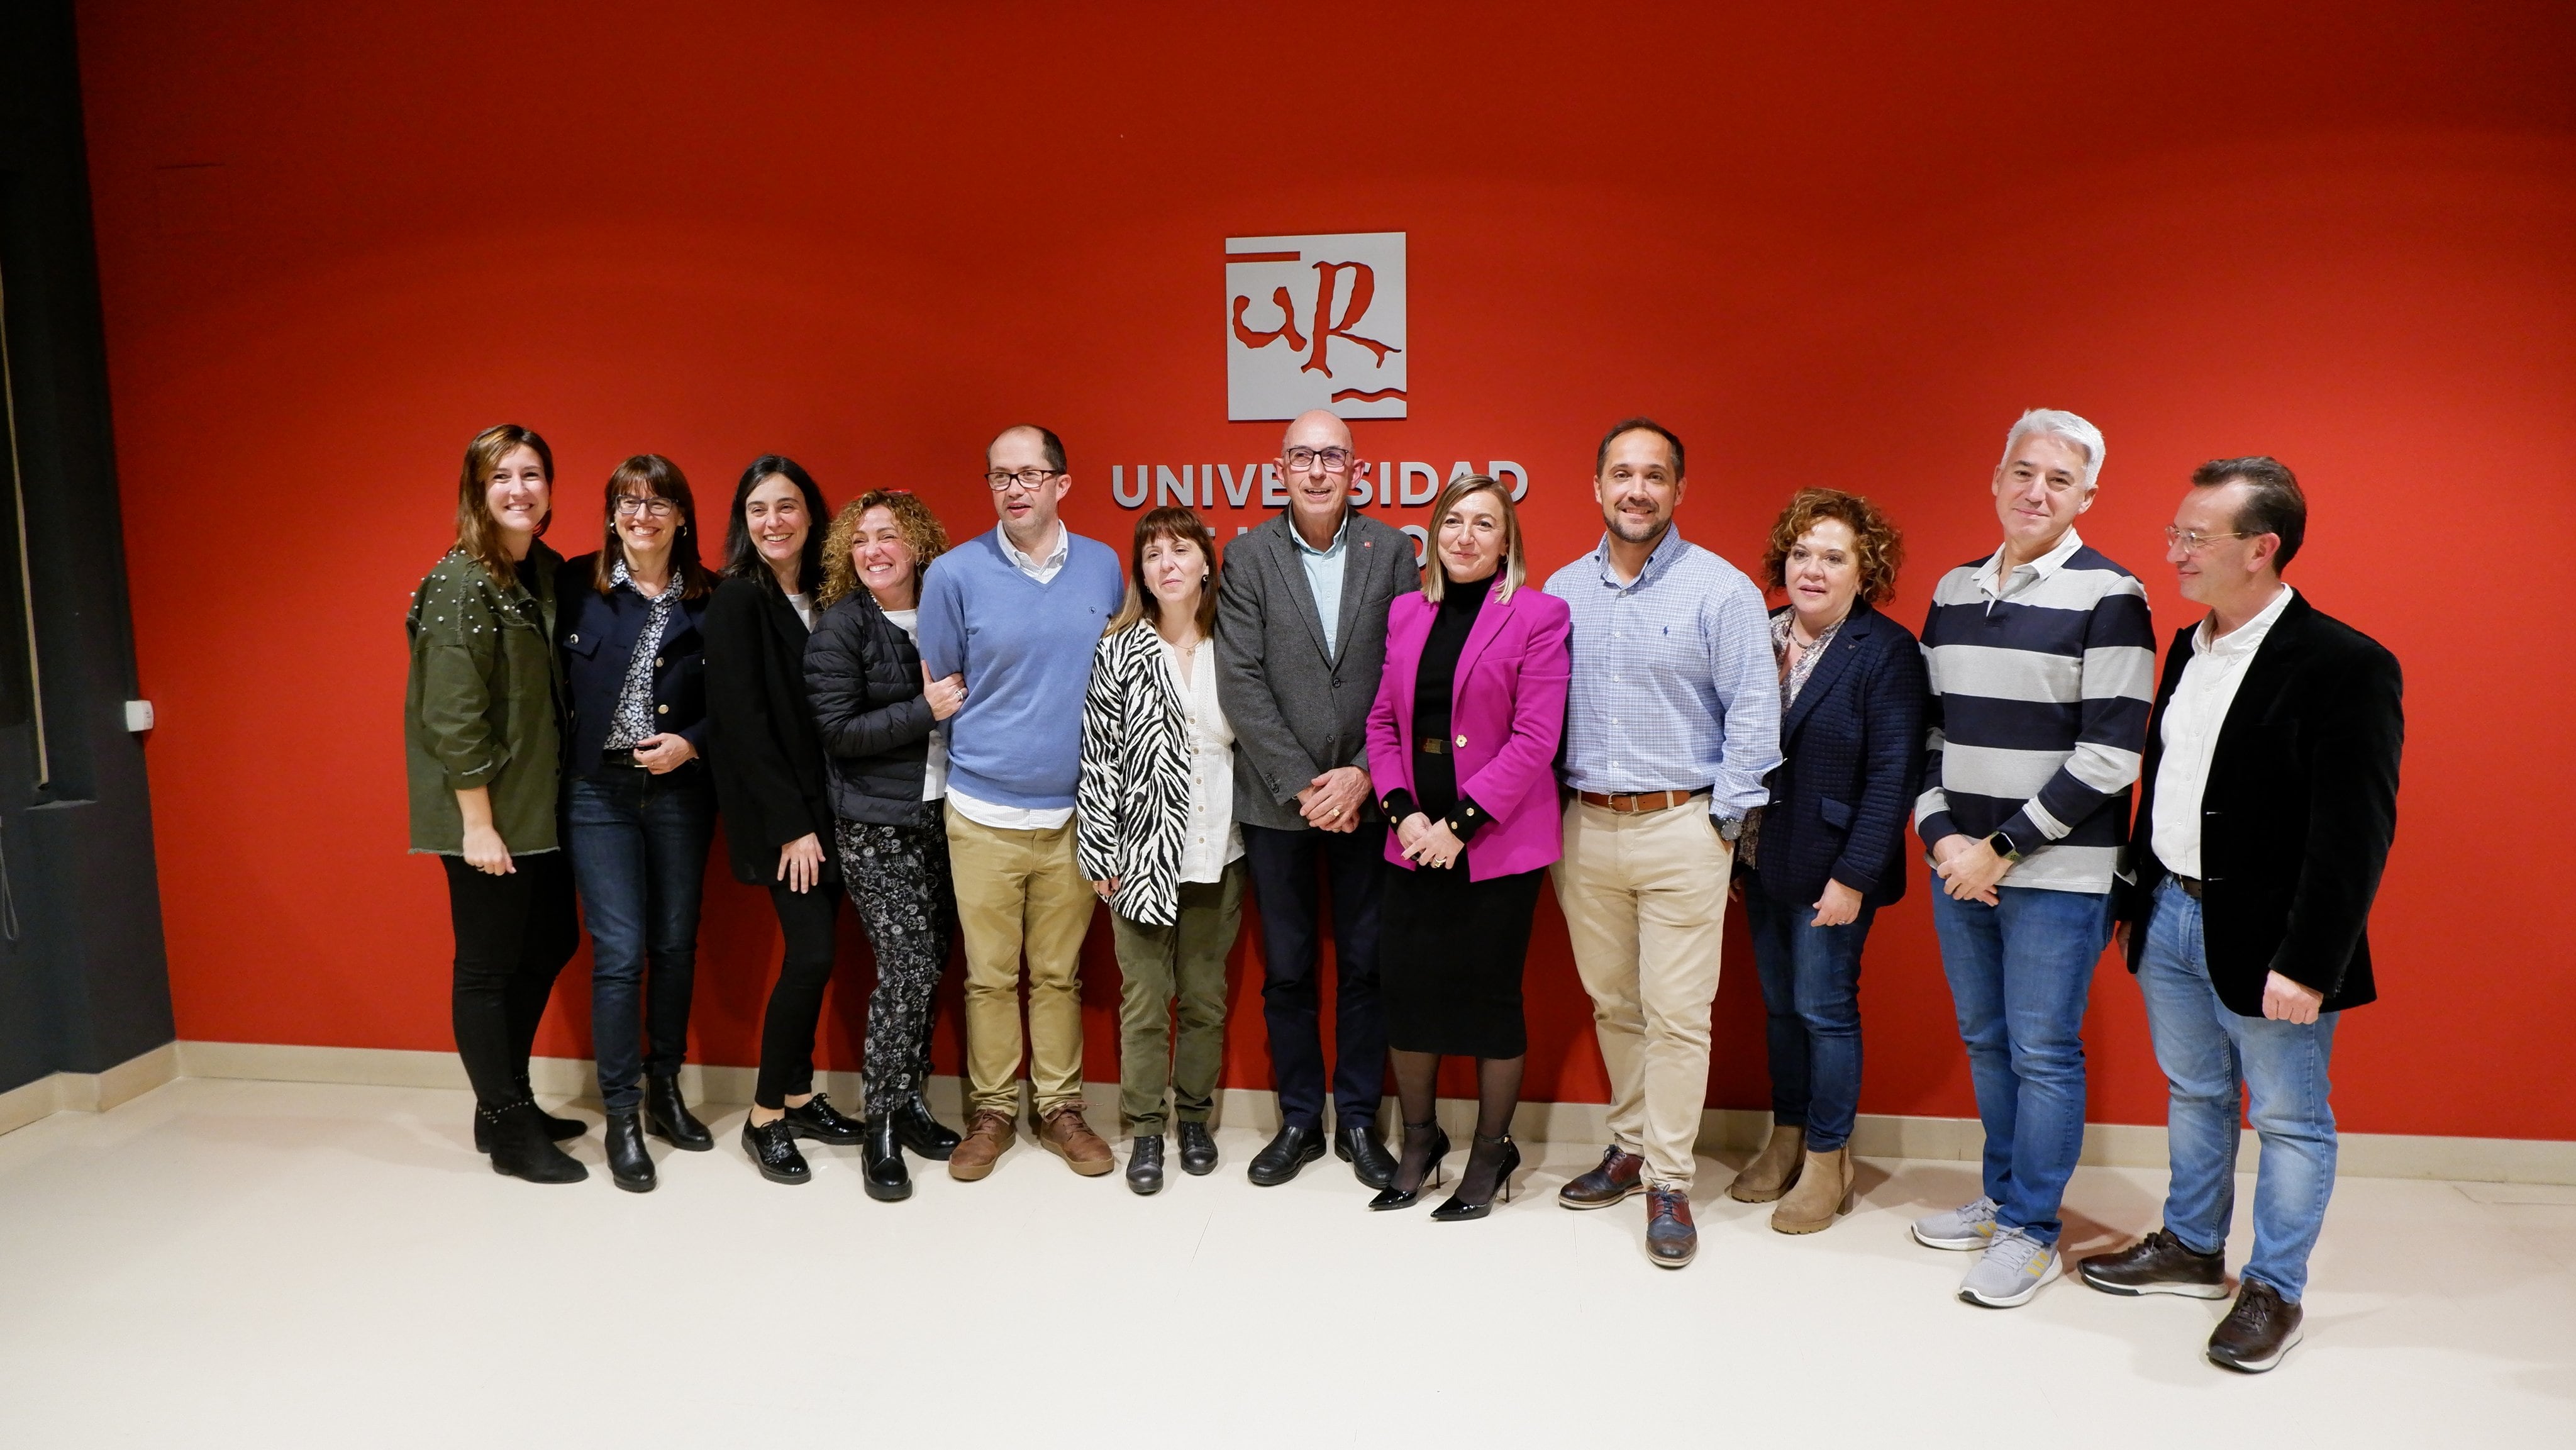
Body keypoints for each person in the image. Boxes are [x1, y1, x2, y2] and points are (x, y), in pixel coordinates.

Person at [2077, 458, 2402, 1373]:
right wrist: (2136, 896)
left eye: (2193, 537)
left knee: (2292, 1120)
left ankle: (2274, 1288)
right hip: (2172, 915)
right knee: (2195, 1094)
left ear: (2261, 549)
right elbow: (2172, 784)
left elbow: (2356, 836)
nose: (2173, 551)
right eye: (2175, 533)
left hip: (2273, 944)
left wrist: (2311, 964)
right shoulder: (2188, 646)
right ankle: (2190, 1247)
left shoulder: (2346, 665)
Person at [1911, 408, 2155, 1308]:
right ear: (1996, 478)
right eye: (2023, 472)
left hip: (2056, 873)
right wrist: (1943, 839)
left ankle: (2033, 1231)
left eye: (2059, 479)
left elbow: (2109, 755)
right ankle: (2006, 1194)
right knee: (1986, 1040)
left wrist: (2001, 850)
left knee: (2042, 1050)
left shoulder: (2111, 595)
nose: (2036, 491)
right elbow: (1930, 730)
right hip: (1961, 868)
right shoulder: (1954, 587)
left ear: (2087, 495)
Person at [1546, 418, 1780, 1269]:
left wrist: (1719, 827)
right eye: (1621, 473)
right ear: (1597, 487)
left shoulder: (1721, 591)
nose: (1636, 489)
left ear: (1678, 491)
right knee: (1614, 1002)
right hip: (1586, 827)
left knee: (1680, 1015)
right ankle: (1630, 1142)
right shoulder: (1563, 591)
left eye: (1654, 475)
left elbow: (1756, 718)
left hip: (1684, 824)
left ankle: (1669, 1181)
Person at [1213, 409, 1418, 1191]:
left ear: (1355, 468)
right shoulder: (1247, 556)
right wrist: (1305, 783)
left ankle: (1360, 1122)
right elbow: (1242, 679)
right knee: (1289, 971)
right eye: (1304, 456)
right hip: (1280, 807)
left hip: (1370, 803)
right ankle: (1300, 1119)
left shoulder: (1391, 550)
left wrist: (1364, 773)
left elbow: (1407, 672)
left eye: (1333, 455)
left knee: (1367, 968)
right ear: (1282, 468)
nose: (1319, 470)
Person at [917, 425, 1127, 1180]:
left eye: (1030, 475)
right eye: (1000, 476)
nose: (1015, 489)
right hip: (982, 813)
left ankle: (1061, 1108)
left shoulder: (1104, 567)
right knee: (987, 975)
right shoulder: (952, 574)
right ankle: (993, 1111)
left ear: (1061, 484)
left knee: (1059, 974)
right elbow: (943, 679)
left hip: (1075, 814)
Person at [1363, 476, 1570, 1220]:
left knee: (1488, 1000)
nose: (1465, 536)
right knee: (1408, 996)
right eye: (1453, 520)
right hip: (1410, 841)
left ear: (1506, 540)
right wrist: (1404, 816)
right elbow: (1382, 725)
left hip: (1496, 846)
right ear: (1433, 533)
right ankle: (1420, 1144)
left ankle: (1491, 1151)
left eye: (1485, 523)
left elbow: (1535, 739)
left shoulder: (1539, 615)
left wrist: (1458, 824)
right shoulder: (1403, 613)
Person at [1728, 489, 1925, 1232]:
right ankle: (1786, 1135)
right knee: (1780, 1010)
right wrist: (1731, 855)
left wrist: (1852, 879)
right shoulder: (1759, 632)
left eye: (1833, 557)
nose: (1811, 569)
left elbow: (1892, 776)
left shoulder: (1886, 652)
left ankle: (1827, 1156)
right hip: (1762, 858)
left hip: (1834, 873)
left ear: (1862, 570)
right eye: (1801, 552)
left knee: (1824, 1010)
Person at [405, 423, 586, 1185]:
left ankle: (503, 1101)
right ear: (477, 491)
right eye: (501, 476)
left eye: (533, 474)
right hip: (486, 812)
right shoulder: (460, 581)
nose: (520, 489)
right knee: (486, 967)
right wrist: (477, 824)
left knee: (547, 946)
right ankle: (508, 1128)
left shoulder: (539, 569)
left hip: (538, 806)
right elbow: (451, 714)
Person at [557, 454, 718, 1193]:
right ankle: (621, 1112)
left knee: (675, 944)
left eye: (658, 503)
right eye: (628, 501)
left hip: (681, 793)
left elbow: (741, 704)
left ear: (682, 515)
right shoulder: (574, 585)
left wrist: (693, 741)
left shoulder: (716, 597)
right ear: (611, 512)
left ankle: (664, 1091)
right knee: (619, 951)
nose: (642, 515)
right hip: (599, 795)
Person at [1075, 506, 1245, 1195]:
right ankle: (1146, 1130)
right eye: (1152, 555)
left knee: (1205, 998)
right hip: (1142, 856)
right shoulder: (1119, 648)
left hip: (1221, 851)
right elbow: (1099, 760)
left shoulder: (1232, 644)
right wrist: (1100, 854)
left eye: (1180, 551)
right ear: (1140, 573)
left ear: (1206, 562)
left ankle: (1195, 1120)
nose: (1166, 564)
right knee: (1146, 1002)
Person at [706, 455, 865, 1185]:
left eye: (787, 507)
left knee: (822, 953)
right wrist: (791, 826)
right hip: (786, 819)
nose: (773, 522)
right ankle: (765, 1114)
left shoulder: (831, 594)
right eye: (758, 509)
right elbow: (740, 721)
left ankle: (800, 1095)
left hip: (834, 809)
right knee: (809, 956)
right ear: (744, 522)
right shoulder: (739, 599)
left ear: (812, 515)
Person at [805, 489, 968, 1202]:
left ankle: (911, 1104)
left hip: (948, 815)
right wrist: (922, 711)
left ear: (917, 546)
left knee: (932, 963)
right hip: (875, 825)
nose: (874, 549)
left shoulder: (945, 611)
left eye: (889, 536)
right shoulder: (841, 627)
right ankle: (880, 1126)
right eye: (862, 538)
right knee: (905, 967)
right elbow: (838, 731)